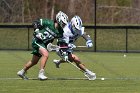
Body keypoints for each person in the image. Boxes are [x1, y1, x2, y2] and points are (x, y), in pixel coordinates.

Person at [17, 11, 69, 80]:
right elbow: (35, 22)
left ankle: (22, 72)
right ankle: (41, 73)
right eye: (63, 23)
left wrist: (64, 53)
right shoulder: (48, 22)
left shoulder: (60, 32)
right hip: (37, 41)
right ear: (58, 20)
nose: (64, 25)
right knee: (46, 54)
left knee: (34, 61)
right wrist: (37, 31)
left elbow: (61, 43)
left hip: (43, 45)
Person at [53, 15, 96, 80]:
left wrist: (88, 41)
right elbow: (61, 43)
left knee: (70, 59)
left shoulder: (78, 28)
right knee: (76, 59)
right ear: (72, 25)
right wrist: (67, 46)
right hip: (61, 48)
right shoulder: (65, 31)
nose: (77, 30)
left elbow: (85, 34)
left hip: (68, 47)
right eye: (76, 28)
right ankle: (88, 72)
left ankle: (58, 62)